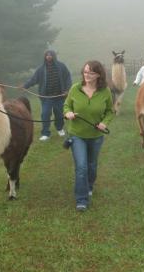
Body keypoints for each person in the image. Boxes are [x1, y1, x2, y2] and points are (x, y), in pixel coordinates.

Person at [64, 60, 114, 212]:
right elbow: (66, 105)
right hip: (77, 134)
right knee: (81, 166)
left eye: (91, 73)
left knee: (92, 166)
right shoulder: (75, 89)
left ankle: (89, 185)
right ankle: (81, 199)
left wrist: (105, 123)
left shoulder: (105, 92)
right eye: (85, 72)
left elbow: (110, 111)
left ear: (99, 75)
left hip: (96, 135)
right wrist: (68, 113)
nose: (87, 75)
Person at [22, 49, 72, 141]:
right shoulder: (41, 69)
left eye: (50, 55)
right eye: (47, 55)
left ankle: (59, 128)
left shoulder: (61, 66)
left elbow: (68, 77)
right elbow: (34, 79)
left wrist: (67, 90)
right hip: (46, 98)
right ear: (45, 57)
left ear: (54, 56)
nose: (49, 57)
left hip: (59, 96)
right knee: (45, 114)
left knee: (60, 114)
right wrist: (25, 86)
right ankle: (45, 133)